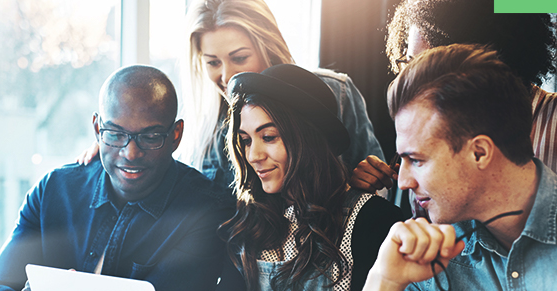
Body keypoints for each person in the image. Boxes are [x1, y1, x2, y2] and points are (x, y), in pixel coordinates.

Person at [0, 65, 236, 291]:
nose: (130, 152)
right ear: (98, 128)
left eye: (150, 137)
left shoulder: (205, 210)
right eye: (115, 133)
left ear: (176, 135)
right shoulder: (55, 189)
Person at [330, 44, 557, 291]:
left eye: (417, 160)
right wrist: (383, 280)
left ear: (479, 152)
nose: (402, 181)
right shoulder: (438, 254)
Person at [163, 64, 404, 291]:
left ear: (307, 137)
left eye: (269, 137)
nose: (254, 155)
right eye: (245, 141)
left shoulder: (374, 221)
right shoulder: (250, 230)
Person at [78, 0, 389, 195]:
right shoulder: (202, 124)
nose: (225, 76)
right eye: (213, 62)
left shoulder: (334, 93)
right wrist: (118, 141)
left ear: (267, 46)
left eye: (239, 58)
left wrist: (370, 178)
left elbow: (380, 182)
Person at [350, 0, 557, 205]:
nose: (416, 85)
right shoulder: (427, 138)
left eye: (434, 72)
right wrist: (373, 195)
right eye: (410, 65)